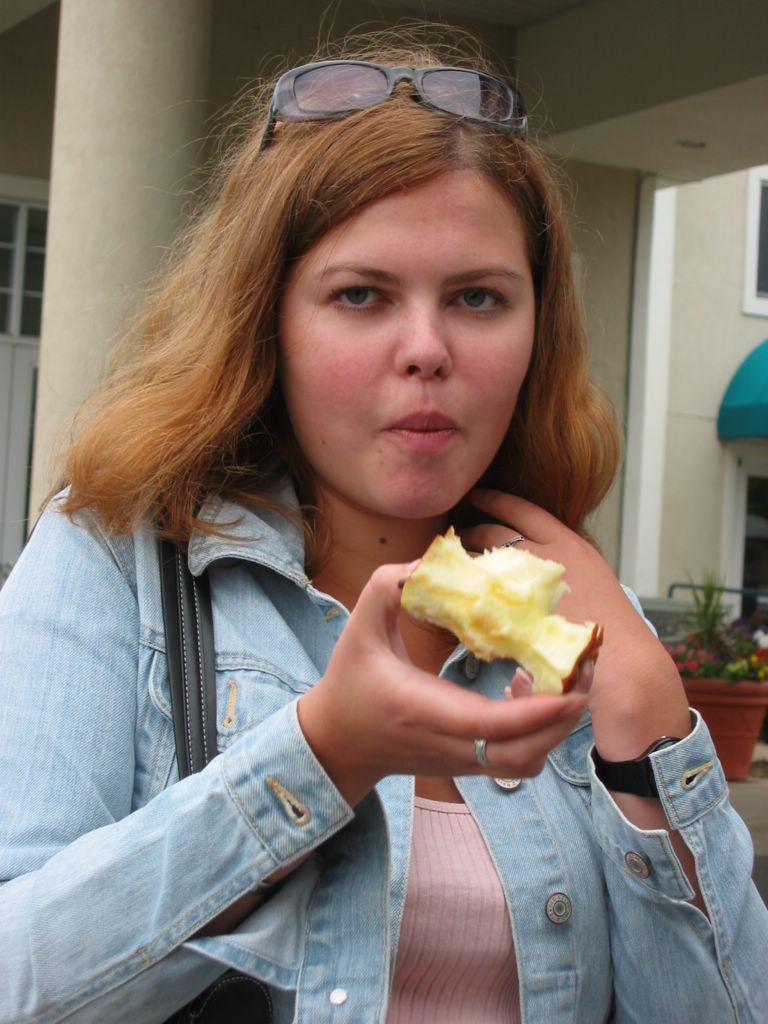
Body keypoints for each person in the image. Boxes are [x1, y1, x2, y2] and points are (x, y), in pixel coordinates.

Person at [1, 25, 766, 1024]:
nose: (426, 348)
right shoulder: (115, 562)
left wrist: (649, 735)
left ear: (537, 328)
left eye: (479, 298)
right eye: (361, 295)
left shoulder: (587, 615)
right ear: (266, 319)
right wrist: (323, 755)